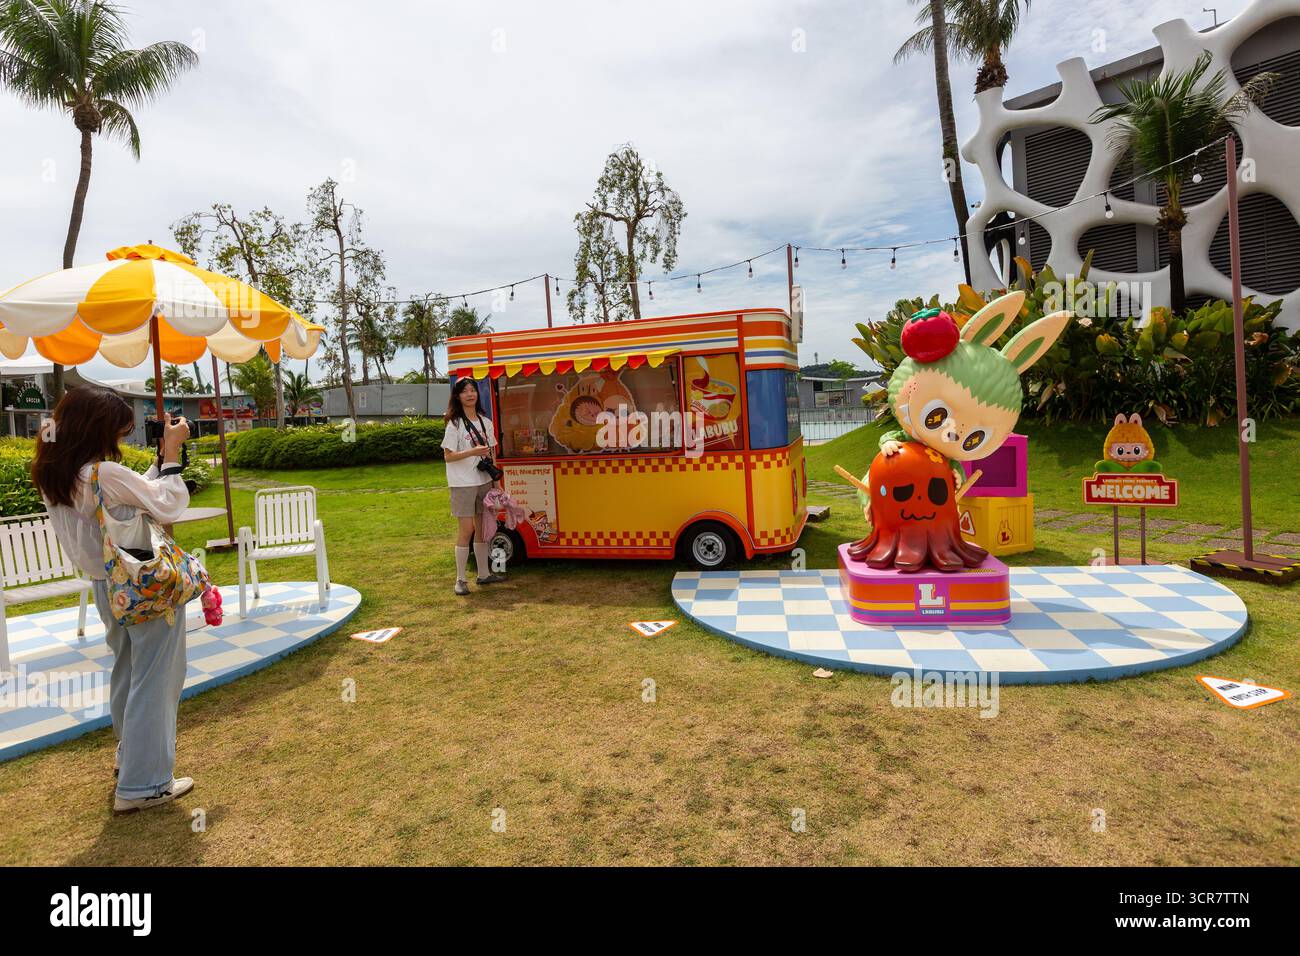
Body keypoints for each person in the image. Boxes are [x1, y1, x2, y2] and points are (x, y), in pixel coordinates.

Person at [31, 387, 193, 815]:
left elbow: (133, 495)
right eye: (118, 432)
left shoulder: (59, 471)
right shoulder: (102, 472)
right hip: (142, 587)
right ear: (98, 430)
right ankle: (145, 784)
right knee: (156, 679)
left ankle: (131, 762)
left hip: (108, 586)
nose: (119, 441)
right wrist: (174, 453)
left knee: (128, 673)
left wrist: (159, 459)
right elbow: (170, 504)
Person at [441, 378, 506, 595]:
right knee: (467, 530)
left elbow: (493, 455)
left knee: (483, 528)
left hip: (484, 482)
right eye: (465, 391)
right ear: (457, 396)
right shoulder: (454, 423)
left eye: (473, 390)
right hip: (462, 484)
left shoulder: (485, 422)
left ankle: (484, 574)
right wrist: (472, 452)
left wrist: (497, 486)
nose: (470, 394)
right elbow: (448, 456)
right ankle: (460, 580)